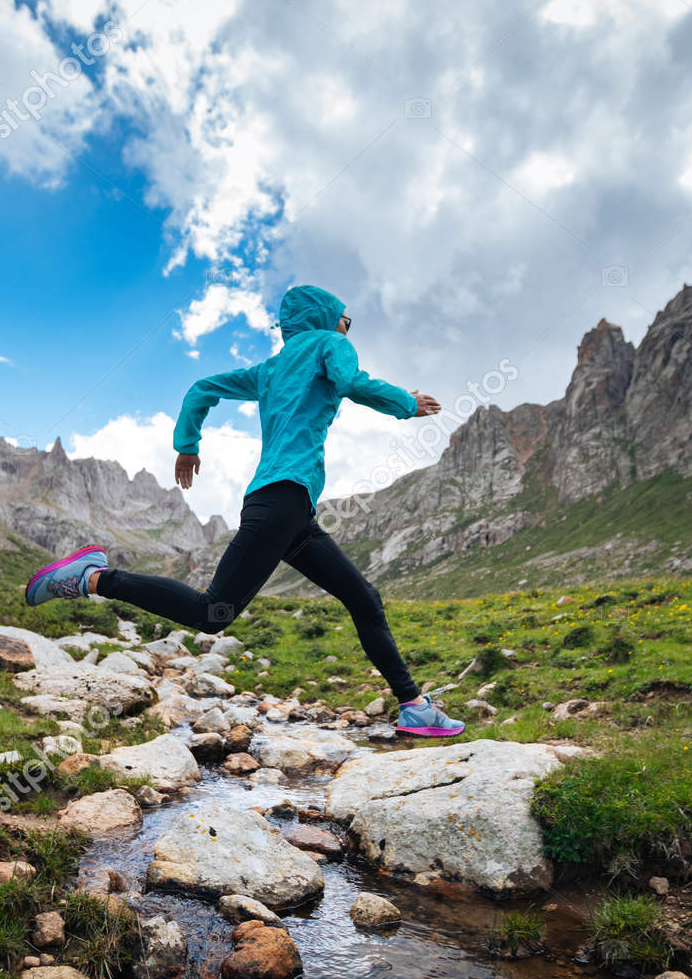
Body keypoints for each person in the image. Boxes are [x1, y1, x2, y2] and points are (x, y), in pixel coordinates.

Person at [25, 284, 463, 737]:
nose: (349, 325)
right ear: (325, 316)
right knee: (211, 613)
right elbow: (352, 382)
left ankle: (412, 706)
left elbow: (201, 389)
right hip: (280, 503)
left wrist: (187, 446)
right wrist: (405, 404)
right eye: (345, 317)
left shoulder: (270, 369)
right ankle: (92, 577)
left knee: (363, 598)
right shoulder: (331, 344)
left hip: (292, 512)